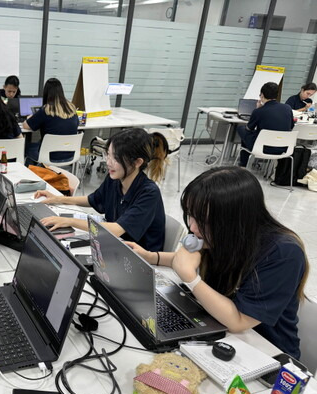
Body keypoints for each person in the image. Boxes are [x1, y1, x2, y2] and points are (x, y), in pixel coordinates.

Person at [128, 167, 308, 358]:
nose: (192, 227)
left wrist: (191, 279)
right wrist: (150, 256)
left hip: (266, 352)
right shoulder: (219, 232)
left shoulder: (283, 253)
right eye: (190, 214)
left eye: (203, 221)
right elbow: (184, 260)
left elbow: (239, 321)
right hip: (219, 328)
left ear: (235, 221)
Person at [34, 128, 167, 251]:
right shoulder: (115, 178)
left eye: (116, 158)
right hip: (115, 244)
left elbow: (116, 229)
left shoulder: (149, 192)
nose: (108, 162)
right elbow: (93, 199)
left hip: (138, 257)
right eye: (108, 155)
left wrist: (69, 221)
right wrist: (58, 198)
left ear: (138, 162)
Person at [237, 81, 294, 168]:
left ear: (262, 95)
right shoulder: (287, 108)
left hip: (262, 148)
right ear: (277, 95)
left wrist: (258, 110)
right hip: (283, 148)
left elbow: (249, 129)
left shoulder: (259, 111)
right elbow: (291, 126)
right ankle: (246, 162)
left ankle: (243, 164)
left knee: (242, 129)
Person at [23, 78, 79, 163]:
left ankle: (32, 175)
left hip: (49, 156)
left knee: (28, 148)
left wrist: (30, 118)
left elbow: (26, 126)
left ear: (46, 93)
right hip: (71, 155)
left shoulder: (46, 110)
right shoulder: (72, 109)